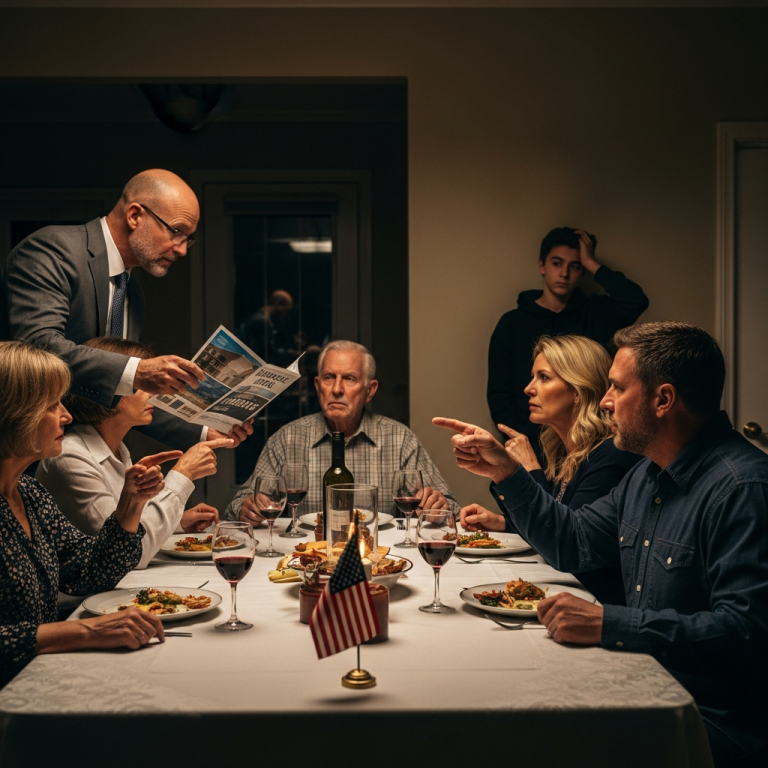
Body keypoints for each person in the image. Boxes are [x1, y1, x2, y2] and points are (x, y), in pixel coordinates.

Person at [436, 322, 768, 768]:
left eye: (615, 388)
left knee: (520, 743)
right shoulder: (646, 475)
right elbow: (572, 542)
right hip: (642, 684)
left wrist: (610, 623)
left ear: (663, 399)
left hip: (708, 721)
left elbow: (746, 634)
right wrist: (507, 474)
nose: (605, 401)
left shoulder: (742, 488)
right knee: (487, 705)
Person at [0, 168, 250, 451]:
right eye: (177, 232)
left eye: (187, 239)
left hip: (90, 457)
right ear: (135, 215)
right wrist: (138, 370)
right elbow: (38, 347)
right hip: (21, 448)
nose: (182, 250)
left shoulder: (131, 291)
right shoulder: (53, 250)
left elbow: (124, 394)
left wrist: (205, 431)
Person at [0, 341, 171, 690]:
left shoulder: (29, 495)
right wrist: (81, 630)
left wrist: (132, 503)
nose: (67, 415)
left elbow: (87, 571)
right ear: (14, 413)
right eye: (52, 405)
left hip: (39, 680)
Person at [464, 334, 640, 605]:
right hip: (569, 594)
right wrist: (503, 523)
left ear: (577, 391)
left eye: (544, 377)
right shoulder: (564, 450)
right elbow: (557, 524)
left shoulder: (611, 455)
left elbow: (567, 542)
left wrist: (529, 472)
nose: (528, 388)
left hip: (595, 605)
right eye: (533, 376)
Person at [36, 338, 233, 568]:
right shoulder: (71, 458)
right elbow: (128, 555)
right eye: (139, 384)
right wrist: (183, 475)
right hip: (76, 602)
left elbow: (127, 525)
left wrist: (178, 522)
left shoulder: (117, 448)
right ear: (105, 391)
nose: (154, 392)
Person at [225, 340, 459, 524]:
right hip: (307, 556)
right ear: (317, 386)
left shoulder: (400, 440)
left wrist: (440, 505)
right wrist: (246, 508)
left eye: (349, 378)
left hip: (379, 555)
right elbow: (236, 507)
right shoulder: (286, 440)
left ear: (369, 390)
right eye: (329, 378)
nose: (337, 389)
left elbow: (452, 509)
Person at [487, 227, 648, 448]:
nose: (564, 273)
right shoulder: (512, 323)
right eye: (557, 263)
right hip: (530, 440)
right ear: (542, 265)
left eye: (575, 266)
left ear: (582, 272)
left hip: (591, 438)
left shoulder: (595, 312)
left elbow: (635, 300)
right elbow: (499, 393)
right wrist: (525, 439)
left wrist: (591, 262)